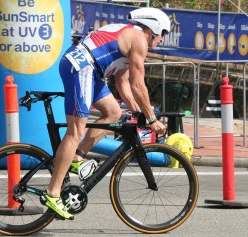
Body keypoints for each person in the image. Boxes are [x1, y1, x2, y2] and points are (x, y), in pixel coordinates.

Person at [41, 7, 170, 219]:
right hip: (82, 66)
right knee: (75, 131)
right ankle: (53, 192)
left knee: (113, 112)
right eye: (163, 33)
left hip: (92, 71)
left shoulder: (131, 36)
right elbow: (138, 84)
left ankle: (77, 156)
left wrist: (137, 112)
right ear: (154, 29)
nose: (163, 40)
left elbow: (123, 82)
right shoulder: (139, 38)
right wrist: (152, 118)